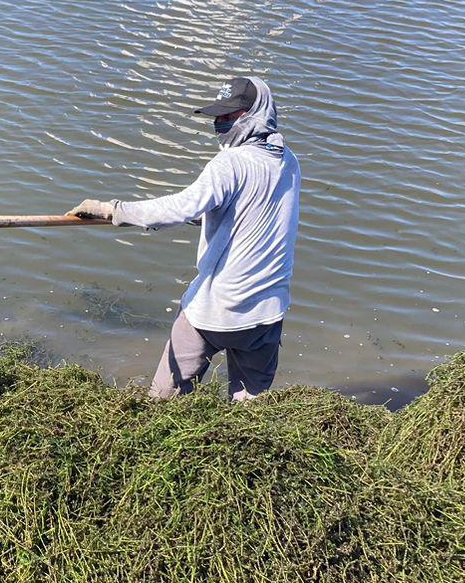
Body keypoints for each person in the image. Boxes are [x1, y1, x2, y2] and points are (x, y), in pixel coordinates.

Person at [68, 75, 302, 400]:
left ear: (252, 115)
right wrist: (204, 216)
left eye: (227, 116)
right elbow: (250, 210)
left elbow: (180, 207)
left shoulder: (230, 163)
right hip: (265, 315)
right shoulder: (288, 161)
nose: (219, 124)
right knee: (252, 414)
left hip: (218, 308)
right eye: (217, 116)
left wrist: (113, 210)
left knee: (163, 399)